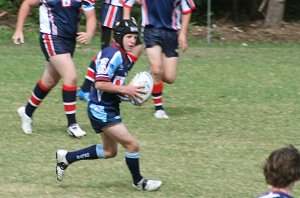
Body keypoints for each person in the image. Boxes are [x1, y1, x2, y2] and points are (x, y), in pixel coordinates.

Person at [55, 19, 162, 191]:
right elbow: (99, 84)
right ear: (119, 37)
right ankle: (139, 182)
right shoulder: (112, 54)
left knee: (109, 152)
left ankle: (67, 158)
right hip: (101, 110)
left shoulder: (122, 55)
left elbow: (112, 86)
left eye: (134, 37)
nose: (133, 41)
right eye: (129, 37)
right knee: (132, 145)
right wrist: (126, 89)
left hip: (108, 107)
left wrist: (130, 95)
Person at [12, 0, 97, 137]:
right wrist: (19, 29)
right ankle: (72, 125)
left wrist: (90, 33)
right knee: (71, 77)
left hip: (69, 41)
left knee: (49, 81)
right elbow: (27, 3)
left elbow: (91, 16)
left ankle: (27, 112)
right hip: (51, 38)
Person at [123, 0, 196, 119]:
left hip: (171, 33)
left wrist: (183, 33)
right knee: (157, 70)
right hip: (150, 30)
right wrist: (126, 28)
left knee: (169, 77)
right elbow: (127, 3)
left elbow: (187, 9)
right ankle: (159, 109)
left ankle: (145, 76)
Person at [77, 0, 143, 102]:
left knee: (137, 47)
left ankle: (118, 82)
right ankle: (85, 88)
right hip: (113, 11)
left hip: (122, 10)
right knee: (106, 54)